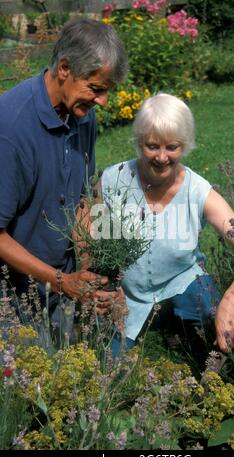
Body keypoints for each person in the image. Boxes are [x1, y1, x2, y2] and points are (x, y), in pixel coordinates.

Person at [97, 93, 234, 355]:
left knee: (214, 315)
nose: (162, 157)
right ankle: (160, 323)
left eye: (172, 147)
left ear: (184, 146)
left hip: (182, 281)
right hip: (127, 293)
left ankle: (183, 326)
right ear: (139, 142)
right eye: (153, 146)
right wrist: (108, 288)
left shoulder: (197, 190)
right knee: (106, 363)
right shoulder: (112, 181)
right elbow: (96, 246)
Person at [0, 18, 128, 328]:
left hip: (62, 281)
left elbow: (83, 200)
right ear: (65, 68)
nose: (103, 101)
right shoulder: (10, 127)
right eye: (96, 88)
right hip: (13, 294)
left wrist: (92, 274)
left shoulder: (82, 114)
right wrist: (61, 281)